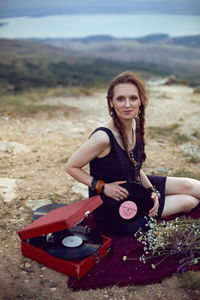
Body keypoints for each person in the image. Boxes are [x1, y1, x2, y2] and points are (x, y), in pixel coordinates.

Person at [65, 71, 200, 236]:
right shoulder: (102, 137)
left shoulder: (134, 125)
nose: (127, 104)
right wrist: (103, 186)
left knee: (191, 185)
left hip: (134, 184)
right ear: (111, 102)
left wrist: (152, 190)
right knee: (189, 201)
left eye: (133, 98)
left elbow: (134, 165)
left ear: (141, 101)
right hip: (115, 206)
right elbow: (71, 166)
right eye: (120, 99)